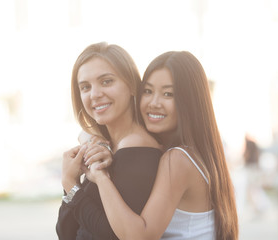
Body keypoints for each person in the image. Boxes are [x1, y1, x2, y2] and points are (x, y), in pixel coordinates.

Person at [84, 51, 239, 239]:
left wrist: (101, 177)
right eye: (148, 91)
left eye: (168, 94)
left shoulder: (178, 159)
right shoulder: (196, 154)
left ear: (189, 102)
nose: (154, 103)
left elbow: (140, 236)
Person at [55, 42, 162, 239]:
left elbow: (112, 235)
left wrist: (70, 183)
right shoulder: (106, 147)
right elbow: (66, 231)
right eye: (85, 87)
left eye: (106, 82)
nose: (95, 94)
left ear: (131, 85)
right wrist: (71, 185)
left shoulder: (137, 149)